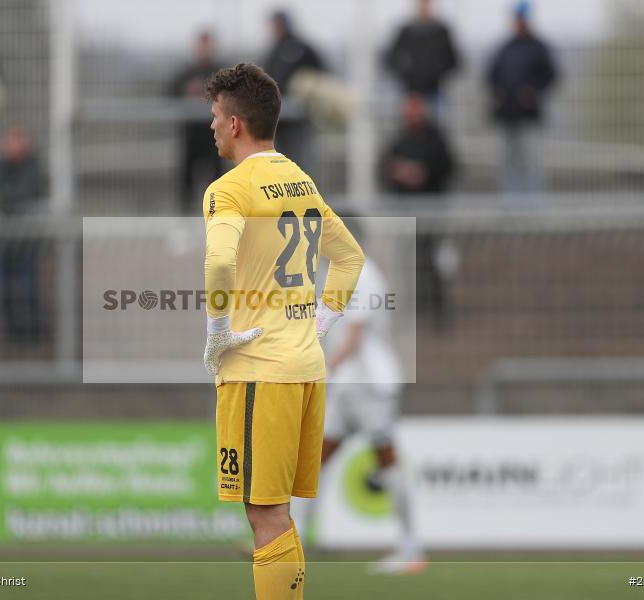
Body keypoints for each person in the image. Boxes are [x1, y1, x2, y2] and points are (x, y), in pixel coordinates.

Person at [202, 63, 365, 599]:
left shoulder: (228, 190)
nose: (211, 127)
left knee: (265, 516)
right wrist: (323, 320)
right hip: (305, 369)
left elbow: (220, 265)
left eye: (215, 116)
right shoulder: (300, 179)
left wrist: (218, 329)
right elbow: (349, 257)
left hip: (259, 372)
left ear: (234, 125)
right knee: (278, 515)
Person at [291, 218, 425, 575]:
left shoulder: (363, 276)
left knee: (386, 459)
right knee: (316, 457)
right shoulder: (337, 274)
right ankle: (293, 541)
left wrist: (321, 367)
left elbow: (353, 335)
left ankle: (411, 548)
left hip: (368, 384)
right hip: (346, 385)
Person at [381, 94, 456, 326]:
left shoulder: (436, 139)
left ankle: (436, 309)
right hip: (405, 213)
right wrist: (399, 174)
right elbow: (384, 168)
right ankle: (408, 307)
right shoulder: (399, 140)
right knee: (405, 260)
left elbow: (447, 167)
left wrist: (422, 174)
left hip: (430, 212)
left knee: (430, 259)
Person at [0, 128, 47, 341]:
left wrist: (1, 199)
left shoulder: (33, 166)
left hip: (26, 240)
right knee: (5, 287)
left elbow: (25, 193)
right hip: (4, 240)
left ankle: (32, 329)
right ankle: (11, 331)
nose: (11, 146)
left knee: (27, 285)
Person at [486, 0, 558, 198]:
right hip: (507, 114)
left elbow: (550, 76)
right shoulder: (505, 49)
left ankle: (534, 206)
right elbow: (491, 76)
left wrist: (533, 91)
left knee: (531, 160)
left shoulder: (538, 48)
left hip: (528, 115)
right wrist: (497, 93)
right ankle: (509, 205)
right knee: (508, 162)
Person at [168, 31, 223, 214]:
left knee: (218, 185)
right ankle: (186, 225)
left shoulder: (221, 72)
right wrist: (187, 92)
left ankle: (219, 223)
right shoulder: (186, 73)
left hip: (216, 139)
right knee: (187, 185)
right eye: (202, 46)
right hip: (191, 136)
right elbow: (169, 92)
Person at [262, 11, 325, 168]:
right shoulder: (274, 51)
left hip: (298, 119)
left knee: (299, 160)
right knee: (279, 161)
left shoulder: (300, 47)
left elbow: (321, 71)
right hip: (277, 120)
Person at [383, 0, 459, 118]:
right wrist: (406, 75)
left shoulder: (441, 31)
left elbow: (454, 60)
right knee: (410, 128)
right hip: (410, 94)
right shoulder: (407, 31)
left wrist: (437, 73)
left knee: (436, 126)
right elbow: (390, 59)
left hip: (435, 90)